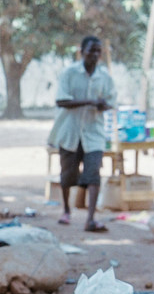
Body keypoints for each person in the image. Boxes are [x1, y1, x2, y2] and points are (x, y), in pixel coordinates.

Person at [47, 35, 116, 232]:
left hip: (94, 133)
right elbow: (61, 101)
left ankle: (90, 219)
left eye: (98, 51)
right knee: (68, 174)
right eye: (91, 51)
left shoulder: (105, 77)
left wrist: (102, 104)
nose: (94, 55)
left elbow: (110, 100)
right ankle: (67, 210)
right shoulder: (69, 73)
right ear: (82, 52)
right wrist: (89, 101)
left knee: (93, 173)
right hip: (69, 132)